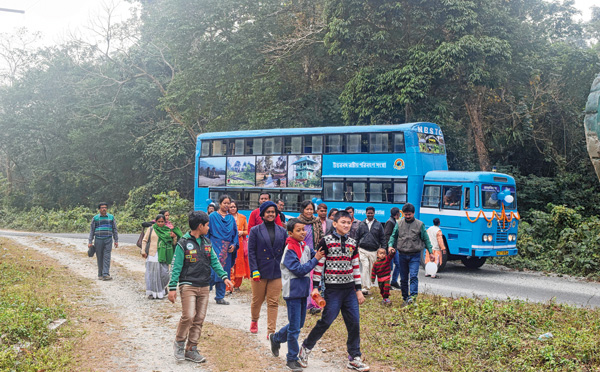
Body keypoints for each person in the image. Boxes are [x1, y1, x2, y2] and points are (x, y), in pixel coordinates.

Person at [298, 211, 369, 372]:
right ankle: (305, 349)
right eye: (342, 222)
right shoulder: (326, 242)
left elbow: (356, 267)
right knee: (326, 321)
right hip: (333, 290)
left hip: (349, 290)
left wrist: (358, 290)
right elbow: (319, 266)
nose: (346, 225)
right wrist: (316, 287)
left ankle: (354, 357)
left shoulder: (353, 243)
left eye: (348, 222)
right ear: (335, 224)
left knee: (354, 323)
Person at [168, 210, 234, 363]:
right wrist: (172, 288)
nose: (209, 228)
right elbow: (176, 266)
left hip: (204, 286)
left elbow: (215, 262)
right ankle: (179, 343)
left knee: (199, 318)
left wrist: (224, 277)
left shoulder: (207, 243)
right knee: (189, 316)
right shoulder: (183, 243)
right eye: (207, 225)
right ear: (200, 226)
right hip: (188, 285)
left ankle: (191, 349)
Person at [269, 218, 325, 372]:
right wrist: (316, 259)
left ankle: (277, 338)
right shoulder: (289, 250)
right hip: (292, 292)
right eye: (298, 230)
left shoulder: (304, 246)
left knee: (298, 324)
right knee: (295, 329)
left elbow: (316, 254)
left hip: (303, 291)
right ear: (290, 232)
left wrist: (321, 252)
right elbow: (299, 270)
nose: (302, 233)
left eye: (303, 229)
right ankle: (291, 359)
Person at [248, 201, 286, 335]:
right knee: (257, 300)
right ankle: (254, 320)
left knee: (273, 302)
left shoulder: (282, 231)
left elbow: (285, 251)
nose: (271, 214)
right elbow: (251, 251)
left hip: (276, 271)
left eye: (273, 212)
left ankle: (271, 331)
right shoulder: (255, 230)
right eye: (268, 212)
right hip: (259, 270)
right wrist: (254, 270)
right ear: (263, 214)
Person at [388, 203, 434, 306]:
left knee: (413, 276)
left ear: (413, 213)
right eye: (405, 214)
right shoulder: (399, 223)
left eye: (409, 214)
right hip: (402, 255)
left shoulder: (419, 224)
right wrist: (390, 246)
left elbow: (426, 239)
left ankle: (413, 299)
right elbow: (393, 236)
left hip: (415, 255)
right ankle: (405, 298)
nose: (407, 216)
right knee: (403, 278)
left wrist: (430, 252)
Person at [141, 214, 182, 299]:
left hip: (164, 255)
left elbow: (173, 244)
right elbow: (144, 240)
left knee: (164, 274)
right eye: (158, 221)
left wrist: (174, 237)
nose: (160, 223)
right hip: (153, 254)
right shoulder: (151, 229)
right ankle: (153, 293)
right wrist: (143, 251)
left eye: (162, 221)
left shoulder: (167, 230)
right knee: (152, 274)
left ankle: (163, 288)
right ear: (156, 222)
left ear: (165, 222)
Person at [207, 195, 239, 305]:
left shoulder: (231, 218)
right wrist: (207, 245)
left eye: (228, 203)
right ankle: (205, 292)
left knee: (224, 271)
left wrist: (234, 245)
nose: (227, 205)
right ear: (220, 204)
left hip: (227, 249)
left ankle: (220, 297)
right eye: (224, 203)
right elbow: (207, 232)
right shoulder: (212, 216)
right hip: (214, 246)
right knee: (212, 270)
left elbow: (235, 233)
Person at [297, 200, 324, 315]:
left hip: (314, 254)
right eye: (307, 209)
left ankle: (313, 304)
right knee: (305, 278)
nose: (309, 211)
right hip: (301, 253)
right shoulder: (297, 222)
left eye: (311, 209)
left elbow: (321, 236)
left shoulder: (317, 221)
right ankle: (306, 302)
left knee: (313, 279)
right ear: (302, 210)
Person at [356, 206, 387, 295]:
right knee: (365, 266)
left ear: (374, 213)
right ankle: (365, 288)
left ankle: (368, 285)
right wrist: (355, 248)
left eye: (371, 213)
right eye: (368, 213)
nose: (370, 214)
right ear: (366, 214)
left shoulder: (378, 225)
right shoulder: (361, 224)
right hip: (363, 250)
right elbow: (357, 237)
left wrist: (383, 249)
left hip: (374, 250)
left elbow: (382, 238)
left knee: (371, 269)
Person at [88, 202, 119, 281]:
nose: (104, 209)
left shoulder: (111, 217)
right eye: (102, 208)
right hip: (98, 239)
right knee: (99, 256)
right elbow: (92, 230)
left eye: (105, 207)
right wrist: (90, 241)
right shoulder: (95, 218)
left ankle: (106, 274)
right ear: (99, 209)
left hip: (108, 239)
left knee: (107, 256)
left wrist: (116, 240)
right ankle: (100, 274)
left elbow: (115, 229)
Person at [229, 200, 250, 290]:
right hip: (229, 243)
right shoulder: (226, 217)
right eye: (231, 207)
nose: (233, 208)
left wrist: (241, 232)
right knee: (229, 264)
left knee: (239, 264)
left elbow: (247, 231)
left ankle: (237, 285)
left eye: (234, 207)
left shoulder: (242, 217)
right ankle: (230, 284)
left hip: (240, 244)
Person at [384, 207, 401, 289]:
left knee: (398, 264)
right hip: (390, 248)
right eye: (399, 213)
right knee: (389, 267)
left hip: (394, 248)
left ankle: (394, 281)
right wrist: (389, 247)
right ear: (397, 214)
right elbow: (387, 235)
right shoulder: (390, 222)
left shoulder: (393, 221)